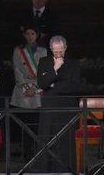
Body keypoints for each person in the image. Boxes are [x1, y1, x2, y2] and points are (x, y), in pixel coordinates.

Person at [35, 35, 85, 172]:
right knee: (47, 139)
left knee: (66, 140)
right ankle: (45, 170)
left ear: (65, 48)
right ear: (51, 49)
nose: (58, 54)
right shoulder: (44, 62)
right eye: (56, 51)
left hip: (67, 106)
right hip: (49, 107)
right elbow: (41, 83)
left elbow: (75, 86)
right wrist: (55, 69)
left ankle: (66, 170)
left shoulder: (74, 63)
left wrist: (53, 86)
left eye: (61, 51)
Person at [10, 25, 48, 161]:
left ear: (37, 35)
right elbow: (17, 70)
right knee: (23, 124)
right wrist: (27, 88)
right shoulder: (18, 50)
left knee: (36, 124)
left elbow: (44, 71)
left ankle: (36, 152)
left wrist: (35, 87)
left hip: (37, 92)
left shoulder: (43, 51)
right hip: (23, 91)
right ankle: (25, 151)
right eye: (28, 33)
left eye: (33, 33)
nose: (30, 36)